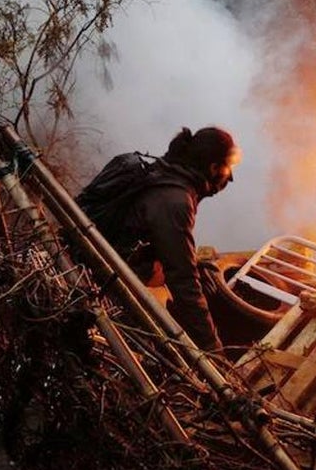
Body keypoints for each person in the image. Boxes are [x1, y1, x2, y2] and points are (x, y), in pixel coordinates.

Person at [96, 126, 240, 353]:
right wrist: (212, 349)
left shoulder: (163, 173)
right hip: (106, 284)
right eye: (227, 168)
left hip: (108, 263)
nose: (229, 177)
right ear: (213, 168)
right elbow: (183, 281)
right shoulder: (175, 201)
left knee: (203, 277)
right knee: (159, 343)